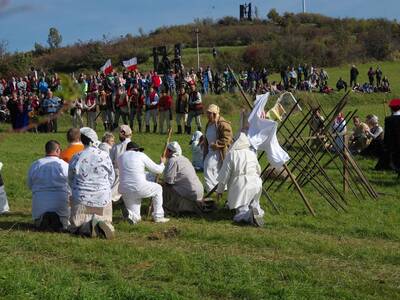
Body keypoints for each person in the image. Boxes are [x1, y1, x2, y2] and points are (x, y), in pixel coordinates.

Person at [68, 127, 115, 238]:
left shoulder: (76, 156)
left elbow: (70, 179)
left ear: (81, 140)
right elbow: (111, 178)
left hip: (81, 200)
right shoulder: (104, 155)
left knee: (76, 226)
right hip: (102, 199)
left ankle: (85, 227)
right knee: (104, 213)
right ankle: (101, 224)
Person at [216, 133, 264, 226]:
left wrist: (219, 190)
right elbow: (259, 170)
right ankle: (257, 212)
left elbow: (224, 175)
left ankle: (249, 215)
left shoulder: (231, 154)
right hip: (256, 183)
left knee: (241, 210)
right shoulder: (251, 153)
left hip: (241, 185)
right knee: (254, 203)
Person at [118, 142, 169, 224]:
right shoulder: (140, 155)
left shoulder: (120, 157)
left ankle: (130, 215)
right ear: (136, 150)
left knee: (136, 219)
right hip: (139, 187)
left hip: (124, 189)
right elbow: (158, 170)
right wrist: (162, 163)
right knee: (158, 189)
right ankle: (158, 216)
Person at [27, 140, 70, 231]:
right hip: (61, 208)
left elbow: (30, 185)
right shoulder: (65, 165)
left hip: (39, 209)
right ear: (58, 150)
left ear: (46, 150)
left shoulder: (35, 165)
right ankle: (58, 221)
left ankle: (43, 220)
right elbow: (71, 186)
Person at [162, 141, 204, 215]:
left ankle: (168, 207)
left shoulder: (172, 161)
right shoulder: (185, 159)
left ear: (169, 151)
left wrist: (162, 163)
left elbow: (168, 181)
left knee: (163, 188)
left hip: (190, 193)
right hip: (200, 191)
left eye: (166, 150)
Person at [203, 104, 233, 192]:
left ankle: (211, 188)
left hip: (219, 151)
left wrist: (217, 144)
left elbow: (228, 138)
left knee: (208, 166)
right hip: (210, 150)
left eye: (209, 113)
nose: (208, 115)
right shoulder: (209, 123)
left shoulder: (223, 124)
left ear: (215, 114)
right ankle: (217, 187)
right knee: (214, 169)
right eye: (207, 113)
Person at [110, 125, 132, 202]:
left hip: (118, 173)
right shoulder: (134, 146)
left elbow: (110, 160)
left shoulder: (116, 147)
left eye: (119, 133)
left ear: (123, 133)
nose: (118, 135)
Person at [377, 99, 400, 171]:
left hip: (393, 145)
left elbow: (387, 134)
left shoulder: (388, 119)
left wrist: (385, 144)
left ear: (391, 108)